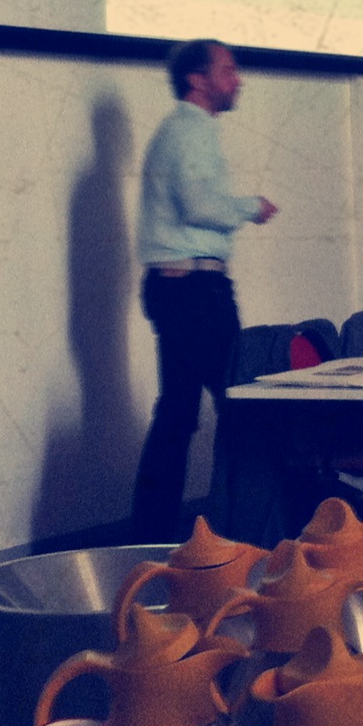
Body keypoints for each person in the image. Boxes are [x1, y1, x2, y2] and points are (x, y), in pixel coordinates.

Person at [129, 39, 277, 541]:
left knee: (176, 414)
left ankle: (149, 535)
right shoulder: (191, 131)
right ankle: (249, 528)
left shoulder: (177, 130)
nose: (238, 80)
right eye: (228, 70)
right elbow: (198, 205)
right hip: (195, 289)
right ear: (197, 79)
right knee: (242, 404)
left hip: (174, 286)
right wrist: (251, 206)